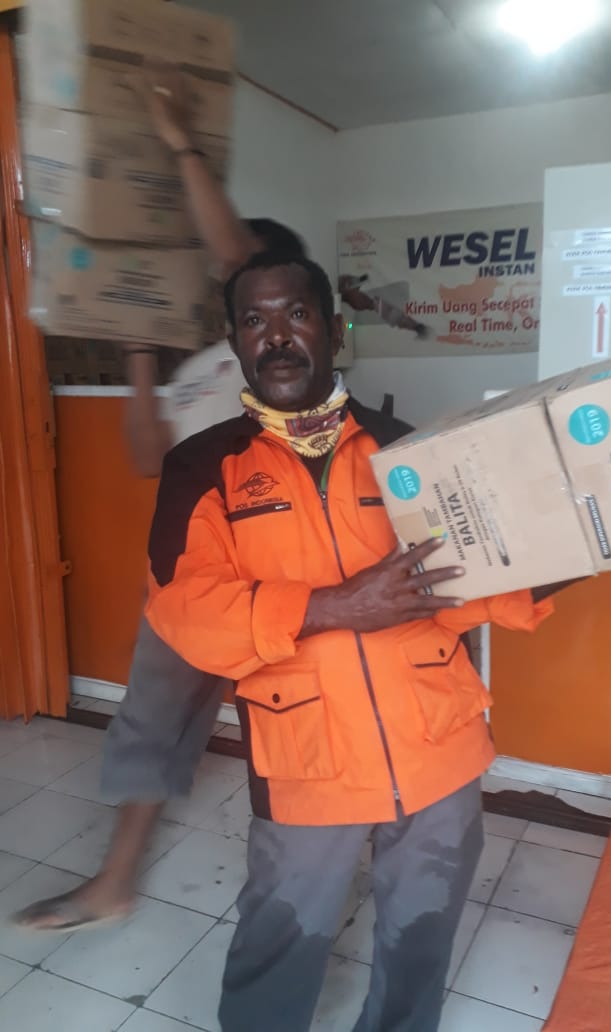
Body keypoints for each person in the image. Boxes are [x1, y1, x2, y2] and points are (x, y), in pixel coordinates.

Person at [143, 246, 572, 1031]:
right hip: (308, 761)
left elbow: (466, 582)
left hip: (436, 749)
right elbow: (186, 613)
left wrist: (586, 544)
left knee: (420, 941)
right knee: (279, 946)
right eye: (254, 320)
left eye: (296, 313)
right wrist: (335, 606)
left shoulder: (408, 451)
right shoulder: (204, 468)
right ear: (235, 341)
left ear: (334, 330)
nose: (277, 336)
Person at [13, 77, 308, 932]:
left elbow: (237, 258)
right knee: (150, 725)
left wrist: (179, 142)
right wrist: (139, 352)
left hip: (291, 577)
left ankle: (316, 884)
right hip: (198, 583)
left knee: (312, 731)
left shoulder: (290, 360)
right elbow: (147, 455)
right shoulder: (203, 371)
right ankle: (113, 883)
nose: (230, 286)